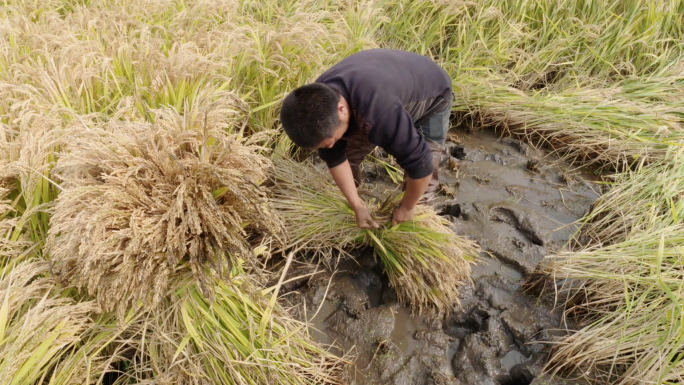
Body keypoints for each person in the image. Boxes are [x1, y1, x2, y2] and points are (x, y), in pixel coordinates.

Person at [280, 49, 453, 229]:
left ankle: (417, 221)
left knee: (424, 173)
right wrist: (357, 206)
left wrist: (407, 207)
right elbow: (336, 159)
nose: (330, 146)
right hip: (383, 82)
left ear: (341, 110)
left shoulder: (379, 114)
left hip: (432, 92)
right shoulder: (318, 106)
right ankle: (362, 201)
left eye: (331, 140)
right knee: (349, 152)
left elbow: (421, 166)